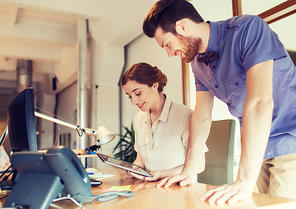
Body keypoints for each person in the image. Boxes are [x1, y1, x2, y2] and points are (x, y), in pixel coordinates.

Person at [142, 0, 296, 205]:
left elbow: (260, 102)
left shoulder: (248, 29)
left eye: (167, 45)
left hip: (291, 139)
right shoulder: (197, 64)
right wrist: (187, 171)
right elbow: (202, 115)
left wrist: (243, 180)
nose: (169, 53)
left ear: (182, 27)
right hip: (260, 148)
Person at [120, 62, 207, 182]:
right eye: (129, 96)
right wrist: (134, 170)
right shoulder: (139, 118)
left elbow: (199, 164)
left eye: (138, 93)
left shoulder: (184, 115)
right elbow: (140, 158)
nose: (133, 101)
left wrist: (161, 174)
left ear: (154, 85)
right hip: (150, 188)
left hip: (179, 189)